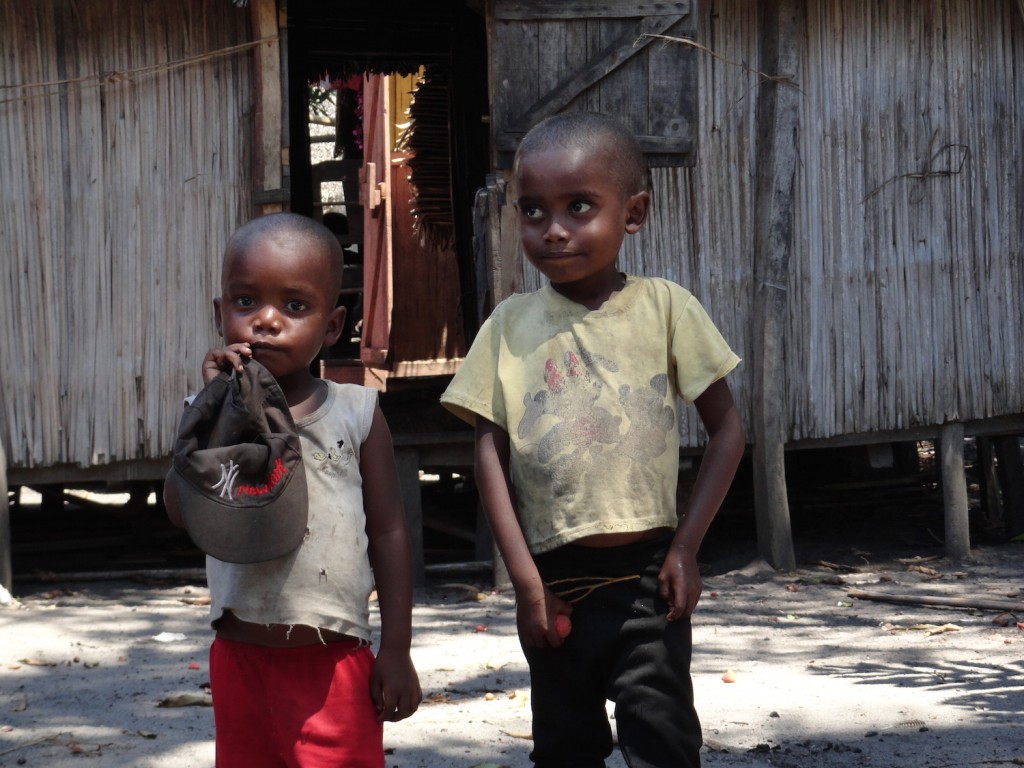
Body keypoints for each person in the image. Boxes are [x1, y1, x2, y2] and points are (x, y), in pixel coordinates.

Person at [440, 112, 744, 768]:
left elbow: (728, 430)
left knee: (662, 740)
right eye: (533, 210)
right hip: (554, 582)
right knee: (564, 746)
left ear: (632, 214)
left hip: (649, 579)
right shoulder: (509, 325)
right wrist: (524, 585)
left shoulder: (667, 308)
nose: (553, 229)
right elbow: (488, 453)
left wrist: (687, 548)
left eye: (579, 207)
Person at [165, 212, 421, 767]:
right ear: (220, 315)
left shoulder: (356, 413)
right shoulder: (206, 415)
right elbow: (182, 512)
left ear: (332, 327)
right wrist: (217, 415)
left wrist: (397, 648)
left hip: (333, 663)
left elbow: (390, 531)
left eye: (295, 306)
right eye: (245, 302)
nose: (266, 322)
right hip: (239, 659)